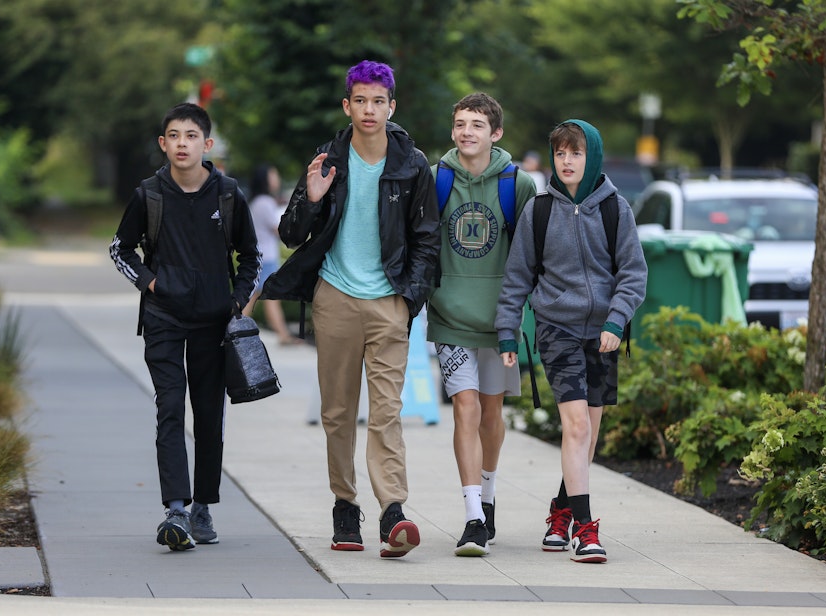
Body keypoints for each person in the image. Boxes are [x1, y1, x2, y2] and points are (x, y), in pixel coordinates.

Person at [260, 60, 440, 558]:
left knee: (386, 413)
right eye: (359, 100)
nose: (369, 109)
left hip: (389, 304)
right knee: (338, 414)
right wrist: (311, 199)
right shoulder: (327, 157)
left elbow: (427, 240)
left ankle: (392, 511)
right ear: (347, 105)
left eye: (378, 101)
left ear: (391, 106)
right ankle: (345, 505)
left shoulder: (412, 164)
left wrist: (408, 301)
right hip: (335, 299)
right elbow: (291, 233)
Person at [109, 102, 260, 552]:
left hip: (214, 323)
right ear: (163, 143)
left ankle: (203, 507)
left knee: (209, 416)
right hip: (163, 319)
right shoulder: (148, 195)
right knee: (170, 408)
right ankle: (175, 508)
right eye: (174, 136)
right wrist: (150, 282)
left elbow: (251, 258)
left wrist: (235, 301)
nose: (182, 144)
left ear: (206, 144)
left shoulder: (228, 194)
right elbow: (120, 249)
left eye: (191, 136)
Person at [495, 119, 647, 563]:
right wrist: (508, 330)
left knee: (589, 434)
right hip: (556, 329)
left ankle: (559, 512)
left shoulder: (615, 208)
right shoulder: (539, 211)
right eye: (560, 153)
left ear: (592, 156)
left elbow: (633, 274)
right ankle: (585, 529)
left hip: (603, 334)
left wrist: (616, 322)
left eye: (576, 153)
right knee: (577, 427)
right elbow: (517, 277)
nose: (567, 161)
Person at [426, 93, 537, 557]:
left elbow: (533, 254)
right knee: (465, 408)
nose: (466, 131)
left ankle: (488, 497)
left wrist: (524, 316)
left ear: (496, 133)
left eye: (476, 124)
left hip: (500, 320)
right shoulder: (436, 180)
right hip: (450, 316)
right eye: (459, 123)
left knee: (492, 414)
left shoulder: (519, 184)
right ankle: (473, 516)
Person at [242, 164, 303, 345]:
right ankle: (233, 330)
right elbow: (279, 230)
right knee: (262, 297)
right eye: (273, 175)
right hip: (265, 258)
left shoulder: (258, 201)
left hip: (261, 257)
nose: (276, 179)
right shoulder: (265, 203)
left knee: (259, 297)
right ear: (265, 180)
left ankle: (281, 335)